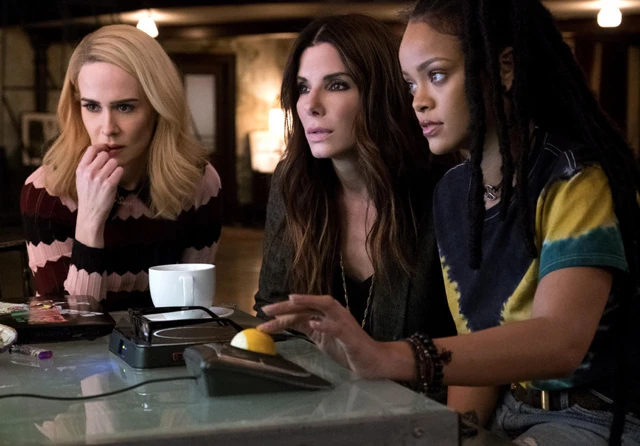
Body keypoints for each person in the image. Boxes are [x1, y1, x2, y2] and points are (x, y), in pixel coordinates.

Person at [258, 1, 640, 445]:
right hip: (508, 409)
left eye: (436, 75)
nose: (418, 100)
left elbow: (560, 341)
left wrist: (388, 357)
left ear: (504, 69)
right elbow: (480, 346)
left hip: (595, 414)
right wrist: (451, 434)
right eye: (410, 83)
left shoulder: (577, 178)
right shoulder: (456, 192)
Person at [253, 14, 456, 351]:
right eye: (303, 88)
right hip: (317, 383)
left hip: (423, 383)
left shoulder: (443, 189)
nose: (311, 105)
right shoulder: (294, 183)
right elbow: (273, 312)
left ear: (381, 94)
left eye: (337, 85)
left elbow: (473, 336)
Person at [21, 25, 222, 311]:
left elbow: (190, 310)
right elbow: (68, 324)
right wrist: (90, 221)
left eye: (125, 107)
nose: (107, 129)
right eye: (92, 107)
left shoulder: (199, 183)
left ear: (158, 107)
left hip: (164, 338)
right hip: (81, 341)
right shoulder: (46, 192)